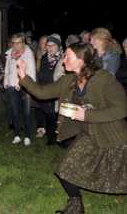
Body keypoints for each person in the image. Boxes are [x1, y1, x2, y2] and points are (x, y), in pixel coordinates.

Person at [17, 42, 127, 214]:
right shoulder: (69, 80)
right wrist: (23, 76)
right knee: (64, 169)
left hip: (112, 136)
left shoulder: (104, 79)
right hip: (89, 134)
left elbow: (121, 109)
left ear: (81, 60)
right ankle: (76, 206)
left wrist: (87, 115)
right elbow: (42, 92)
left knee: (119, 177)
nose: (63, 60)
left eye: (68, 56)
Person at [4, 32, 36, 146]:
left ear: (23, 43)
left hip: (25, 87)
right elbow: (7, 70)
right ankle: (17, 135)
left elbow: (31, 72)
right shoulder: (9, 53)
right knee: (15, 111)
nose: (16, 45)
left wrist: (22, 84)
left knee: (27, 112)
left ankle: (27, 135)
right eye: (14, 43)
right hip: (12, 86)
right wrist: (6, 82)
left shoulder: (28, 53)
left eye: (18, 43)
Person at [35, 33, 65, 144]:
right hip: (46, 90)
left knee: (58, 115)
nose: (49, 47)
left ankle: (61, 138)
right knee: (48, 114)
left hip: (58, 92)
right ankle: (51, 138)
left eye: (52, 45)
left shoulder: (63, 58)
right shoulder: (43, 58)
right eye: (48, 45)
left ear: (58, 46)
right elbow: (41, 74)